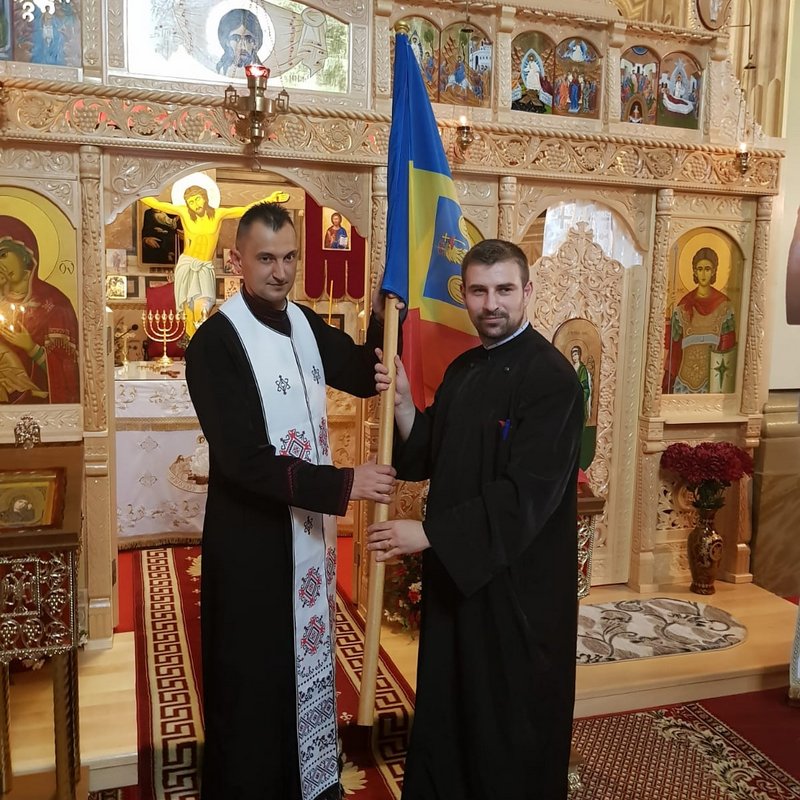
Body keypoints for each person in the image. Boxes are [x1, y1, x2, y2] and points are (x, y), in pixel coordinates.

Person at [184, 202, 397, 800]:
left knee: (304, 663)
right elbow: (243, 461)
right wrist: (344, 484)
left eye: (289, 258)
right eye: (266, 259)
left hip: (306, 536)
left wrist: (389, 310)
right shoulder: (216, 343)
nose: (280, 272)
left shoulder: (301, 321)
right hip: (251, 542)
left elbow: (360, 371)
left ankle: (308, 779)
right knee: (254, 675)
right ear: (237, 261)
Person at [368, 239, 584, 800]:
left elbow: (525, 496)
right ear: (463, 294)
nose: (491, 304)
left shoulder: (552, 379)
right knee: (452, 709)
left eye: (504, 290)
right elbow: (431, 454)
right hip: (459, 579)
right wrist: (405, 405)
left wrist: (428, 534)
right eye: (479, 291)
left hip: (517, 589)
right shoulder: (464, 368)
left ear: (528, 292)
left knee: (506, 722)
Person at [141, 183, 289, 337]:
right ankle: (191, 343)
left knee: (203, 308)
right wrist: (136, 193)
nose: (195, 204)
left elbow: (244, 209)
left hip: (205, 267)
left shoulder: (218, 214)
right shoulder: (184, 212)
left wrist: (271, 198)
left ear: (204, 198)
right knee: (189, 311)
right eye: (191, 202)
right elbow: (156, 204)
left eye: (197, 199)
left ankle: (200, 341)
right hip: (187, 266)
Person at [0, 216, 80, 404]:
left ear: (25, 253)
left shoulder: (55, 304)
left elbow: (70, 373)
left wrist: (31, 348)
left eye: (3, 254)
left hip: (40, 407)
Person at [663, 247, 736, 394]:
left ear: (714, 271)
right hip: (684, 382)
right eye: (700, 269)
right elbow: (672, 345)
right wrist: (667, 313)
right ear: (695, 272)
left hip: (712, 381)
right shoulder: (684, 306)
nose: (703, 274)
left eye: (707, 269)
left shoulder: (724, 307)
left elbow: (727, 349)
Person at [215, 8, 264, 78]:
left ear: (255, 43)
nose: (242, 46)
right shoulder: (222, 71)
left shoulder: (260, 73)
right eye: (236, 39)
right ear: (227, 42)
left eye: (248, 39)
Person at [571, 344, 592, 424]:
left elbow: (585, 386)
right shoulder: (572, 367)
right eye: (573, 355)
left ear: (579, 355)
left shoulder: (582, 368)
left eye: (576, 354)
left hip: (581, 394)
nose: (574, 357)